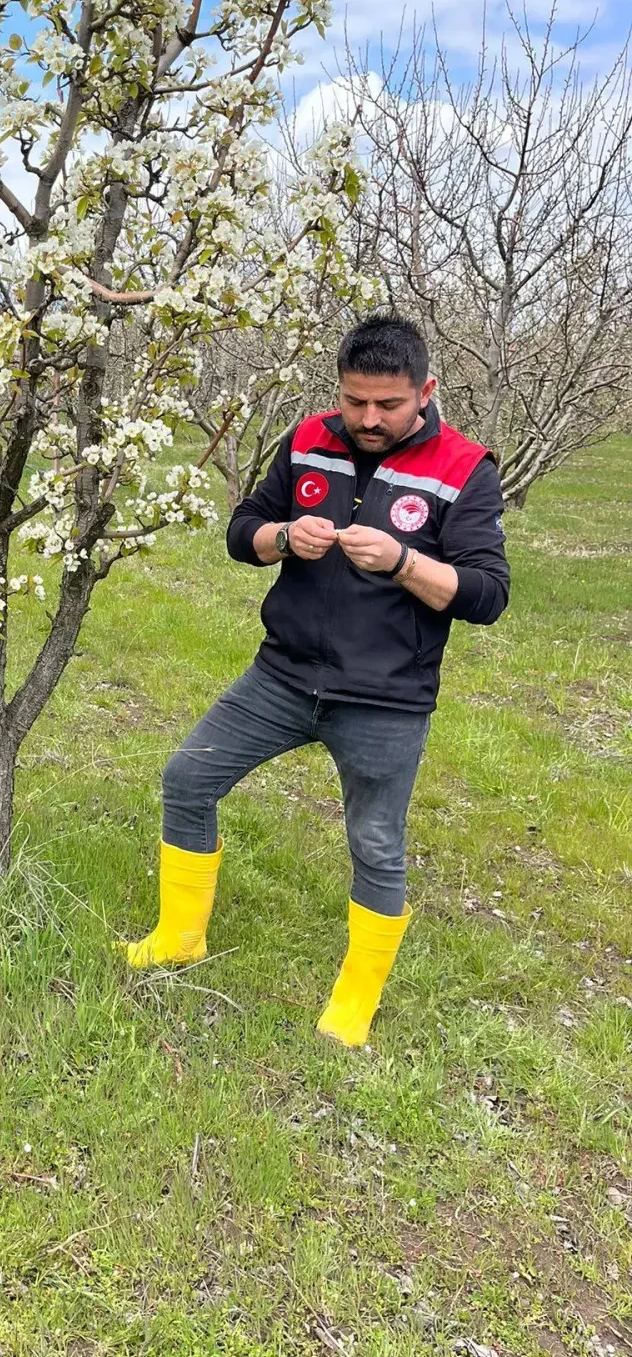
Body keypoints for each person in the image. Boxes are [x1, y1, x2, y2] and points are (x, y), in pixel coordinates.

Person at [124, 314, 510, 1046]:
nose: (367, 419)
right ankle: (180, 937)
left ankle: (355, 1000)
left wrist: (402, 561)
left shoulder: (464, 469)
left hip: (386, 697)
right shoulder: (306, 439)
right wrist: (280, 539)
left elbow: (487, 596)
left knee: (375, 842)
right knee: (188, 778)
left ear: (426, 391)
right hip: (283, 674)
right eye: (354, 401)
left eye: (388, 405)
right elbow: (244, 529)